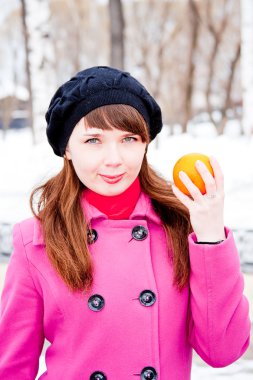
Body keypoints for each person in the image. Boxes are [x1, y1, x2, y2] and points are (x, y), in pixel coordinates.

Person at [0, 66, 250, 380]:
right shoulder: (35, 240)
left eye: (129, 138)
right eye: (93, 141)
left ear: (145, 143)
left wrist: (211, 236)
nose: (114, 159)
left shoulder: (179, 227)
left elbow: (223, 352)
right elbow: (10, 369)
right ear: (67, 149)